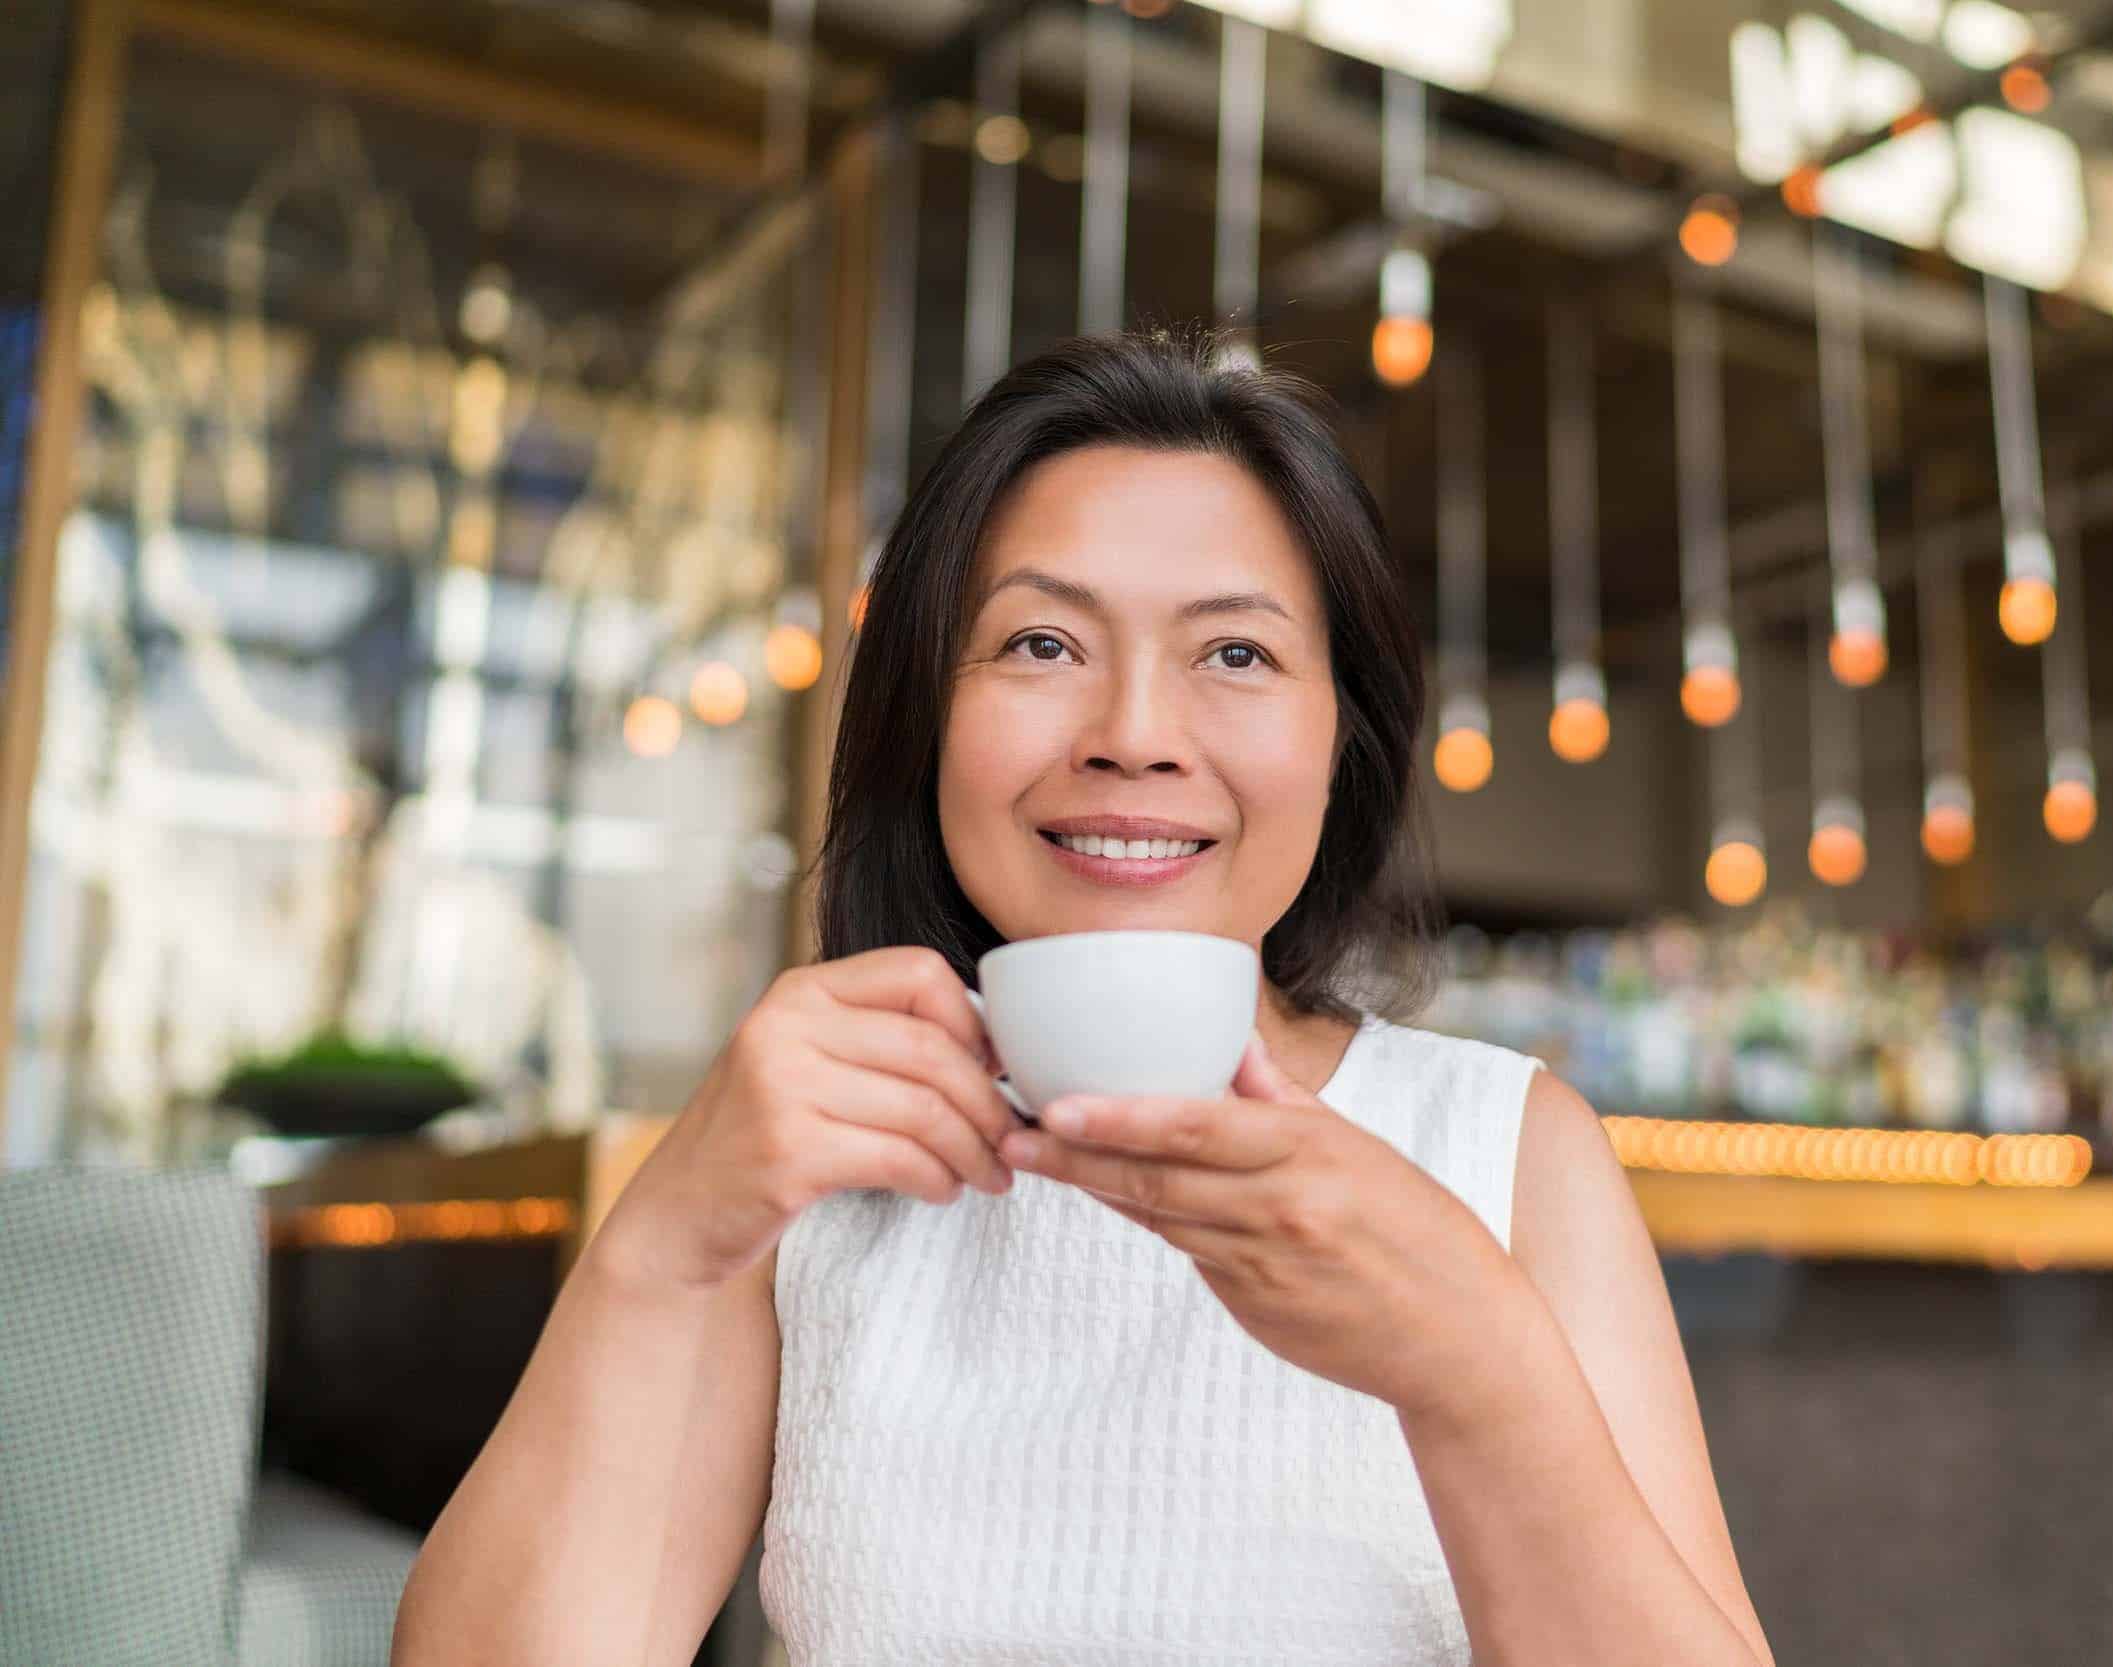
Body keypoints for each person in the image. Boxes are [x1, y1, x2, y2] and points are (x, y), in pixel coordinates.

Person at [391, 328, 1773, 1667]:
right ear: (926, 717)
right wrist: (663, 1244)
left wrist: (1478, 1371)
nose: (1132, 737)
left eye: (1234, 654)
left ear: (1342, 742)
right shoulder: (816, 1157)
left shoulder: (1501, 1147)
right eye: (1042, 646)